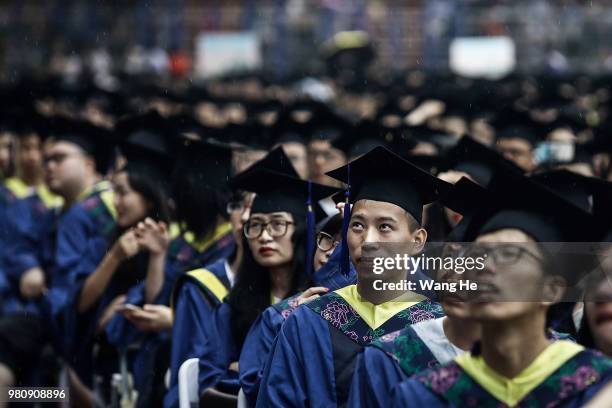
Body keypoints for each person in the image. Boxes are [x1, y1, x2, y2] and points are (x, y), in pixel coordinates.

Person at [390, 170, 612, 407]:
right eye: (479, 254)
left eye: (509, 254)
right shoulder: (423, 396)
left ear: (551, 290)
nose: (485, 266)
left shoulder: (595, 385)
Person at [256, 146, 451, 407]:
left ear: (417, 241)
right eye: (357, 225)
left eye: (385, 227)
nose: (368, 241)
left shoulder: (441, 328)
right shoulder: (307, 321)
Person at [0, 116, 116, 394]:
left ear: (88, 164)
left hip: (83, 329)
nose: (48, 165)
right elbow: (21, 244)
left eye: (59, 158)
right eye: (47, 159)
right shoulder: (59, 211)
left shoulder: (95, 210)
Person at [239, 212, 356, 406]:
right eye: (326, 241)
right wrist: (294, 330)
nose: (330, 252)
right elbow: (255, 387)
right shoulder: (278, 316)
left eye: (341, 245)